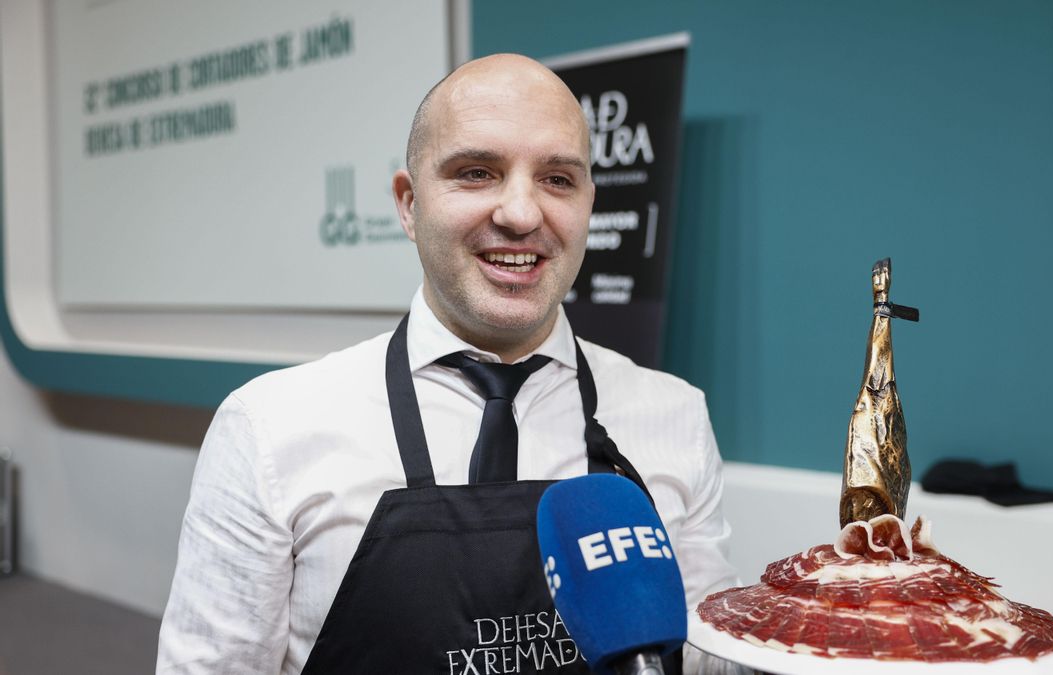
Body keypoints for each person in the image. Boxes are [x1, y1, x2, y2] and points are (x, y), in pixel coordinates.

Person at [158, 53, 744, 674]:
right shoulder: (269, 429)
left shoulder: (674, 414)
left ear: (589, 205)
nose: (521, 214)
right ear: (409, 205)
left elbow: (705, 655)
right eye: (476, 172)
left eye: (557, 180)